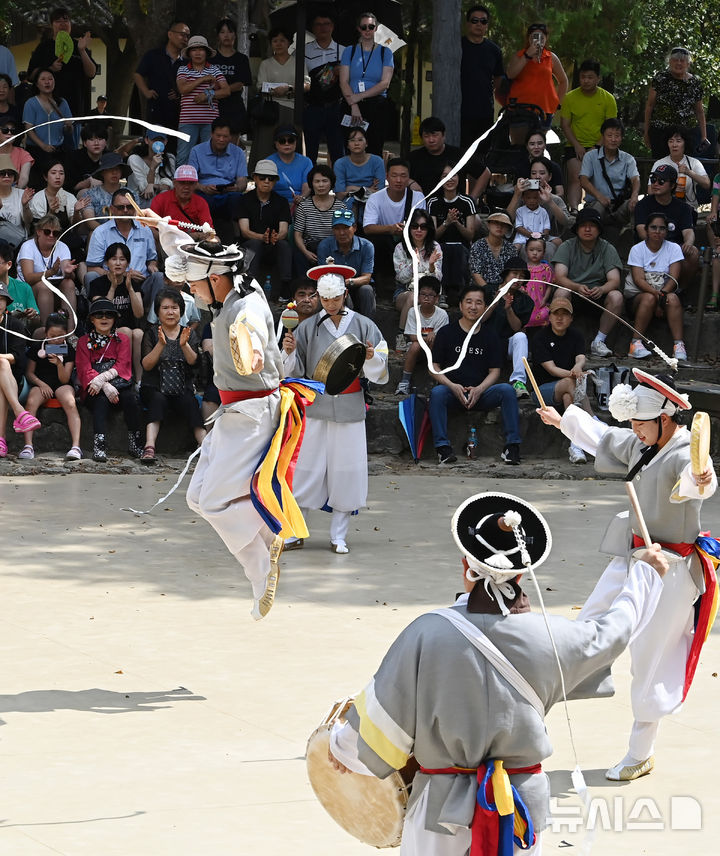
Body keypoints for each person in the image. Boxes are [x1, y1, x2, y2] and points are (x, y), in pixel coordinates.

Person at [328, 490, 671, 855]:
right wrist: (646, 575)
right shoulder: (552, 638)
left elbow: (375, 726)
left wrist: (343, 747)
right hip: (519, 813)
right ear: (522, 571)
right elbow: (614, 631)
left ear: (466, 566)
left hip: (438, 817)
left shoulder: (425, 633)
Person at [538, 369, 716, 780]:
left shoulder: (682, 455)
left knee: (651, 657)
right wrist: (561, 420)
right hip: (633, 553)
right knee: (591, 623)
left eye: (641, 424)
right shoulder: (641, 443)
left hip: (670, 567)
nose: (634, 431)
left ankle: (640, 751)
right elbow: (602, 436)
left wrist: (701, 476)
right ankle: (575, 685)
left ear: (666, 419)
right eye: (632, 424)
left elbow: (697, 480)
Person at [281, 264, 388, 554]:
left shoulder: (364, 324)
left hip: (350, 406)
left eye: (335, 298)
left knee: (346, 471)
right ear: (318, 297)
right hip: (316, 406)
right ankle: (294, 530)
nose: (330, 304)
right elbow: (293, 371)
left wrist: (370, 357)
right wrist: (289, 352)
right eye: (325, 299)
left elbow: (380, 363)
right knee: (306, 470)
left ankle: (338, 535)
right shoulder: (305, 327)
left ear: (344, 294)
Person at [429, 284, 522, 465]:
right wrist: (452, 386)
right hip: (453, 392)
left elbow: (495, 371)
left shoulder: (490, 335)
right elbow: (434, 366)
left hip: (480, 393)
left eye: (478, 303)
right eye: (469, 302)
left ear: (485, 307)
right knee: (437, 394)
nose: (473, 307)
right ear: (461, 305)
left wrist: (479, 390)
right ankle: (442, 448)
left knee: (507, 391)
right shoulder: (447, 332)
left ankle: (512, 447)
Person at [139, 288, 205, 464]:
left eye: (174, 308)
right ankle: (149, 446)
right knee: (158, 400)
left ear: (181, 311)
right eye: (165, 308)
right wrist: (160, 345)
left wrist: (184, 345)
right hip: (154, 385)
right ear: (158, 311)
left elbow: (195, 363)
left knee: (190, 402)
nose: (170, 312)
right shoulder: (151, 333)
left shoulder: (188, 333)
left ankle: (205, 446)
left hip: (181, 385)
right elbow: (146, 364)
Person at [75, 298, 144, 462]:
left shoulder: (122, 339)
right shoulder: (83, 342)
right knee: (100, 400)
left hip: (119, 385)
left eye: (109, 315)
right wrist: (104, 385)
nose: (104, 318)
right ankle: (99, 445)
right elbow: (84, 368)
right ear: (92, 319)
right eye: (99, 315)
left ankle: (135, 443)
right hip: (94, 388)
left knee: (131, 399)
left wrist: (105, 378)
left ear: (115, 319)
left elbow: (123, 364)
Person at [552, 207, 623, 358]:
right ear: (577, 229)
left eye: (592, 225)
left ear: (599, 229)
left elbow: (615, 280)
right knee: (560, 292)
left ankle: (599, 341)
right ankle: (561, 339)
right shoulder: (567, 246)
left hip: (598, 295)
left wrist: (602, 289)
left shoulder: (607, 248)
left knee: (616, 296)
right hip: (574, 293)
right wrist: (576, 287)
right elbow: (560, 277)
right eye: (583, 225)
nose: (588, 229)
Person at [530, 296, 592, 463]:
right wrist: (574, 375)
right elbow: (552, 369)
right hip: (541, 391)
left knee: (568, 397)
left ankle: (576, 446)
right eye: (556, 313)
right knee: (570, 383)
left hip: (565, 390)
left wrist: (578, 367)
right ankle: (593, 421)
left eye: (565, 314)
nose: (559, 318)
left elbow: (580, 358)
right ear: (549, 317)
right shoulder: (540, 338)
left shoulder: (576, 335)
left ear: (571, 318)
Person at [624, 212, 686, 362]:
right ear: (646, 230)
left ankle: (679, 345)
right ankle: (635, 343)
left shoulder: (674, 248)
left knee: (673, 298)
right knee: (649, 298)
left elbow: (673, 278)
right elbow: (639, 280)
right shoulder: (637, 249)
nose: (657, 231)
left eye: (662, 228)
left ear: (667, 231)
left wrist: (662, 296)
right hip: (639, 296)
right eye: (653, 227)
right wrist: (657, 296)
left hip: (664, 292)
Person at [20, 312, 81, 460]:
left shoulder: (69, 350)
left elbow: (65, 378)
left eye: (60, 335)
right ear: (46, 333)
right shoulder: (37, 347)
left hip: (62, 384)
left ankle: (76, 447)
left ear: (66, 334)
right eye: (52, 335)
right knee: (31, 401)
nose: (56, 339)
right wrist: (42, 384)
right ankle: (28, 446)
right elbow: (29, 373)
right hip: (41, 384)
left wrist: (59, 364)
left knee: (70, 402)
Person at [560, 59, 618, 213]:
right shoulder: (570, 97)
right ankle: (573, 209)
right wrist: (577, 145)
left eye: (590, 77)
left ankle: (597, 209)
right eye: (583, 77)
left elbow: (610, 126)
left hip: (600, 145)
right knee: (576, 177)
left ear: (598, 78)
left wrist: (597, 146)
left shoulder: (608, 98)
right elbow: (565, 125)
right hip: (575, 145)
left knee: (599, 179)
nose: (586, 81)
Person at [250, 27, 309, 174]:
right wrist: (274, 90)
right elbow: (259, 86)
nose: (278, 44)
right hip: (270, 110)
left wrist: (289, 88)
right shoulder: (266, 64)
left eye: (282, 40)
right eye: (275, 41)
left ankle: (294, 175)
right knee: (266, 145)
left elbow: (307, 85)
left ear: (289, 42)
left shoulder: (298, 62)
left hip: (292, 108)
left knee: (290, 144)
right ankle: (263, 175)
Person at [633, 163, 698, 290]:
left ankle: (680, 290)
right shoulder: (642, 205)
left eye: (661, 181)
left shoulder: (683, 208)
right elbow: (641, 232)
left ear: (672, 185)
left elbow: (688, 231)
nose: (655, 184)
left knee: (693, 253)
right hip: (649, 248)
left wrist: (688, 243)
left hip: (674, 251)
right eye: (653, 180)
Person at [88, 242, 146, 382]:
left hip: (129, 331)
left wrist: (130, 289)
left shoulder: (132, 283)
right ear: (107, 262)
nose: (118, 263)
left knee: (138, 333)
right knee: (125, 331)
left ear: (128, 263)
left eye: (122, 259)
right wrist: (113, 288)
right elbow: (102, 313)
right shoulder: (97, 284)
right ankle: (127, 375)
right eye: (114, 259)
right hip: (104, 332)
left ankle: (139, 380)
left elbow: (139, 314)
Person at [339, 12, 394, 155]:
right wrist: (354, 104)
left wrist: (360, 96)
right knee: (351, 146)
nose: (367, 30)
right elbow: (343, 81)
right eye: (364, 27)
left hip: (376, 104)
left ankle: (374, 178)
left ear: (376, 28)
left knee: (374, 147)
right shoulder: (349, 51)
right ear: (358, 29)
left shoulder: (385, 52)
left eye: (371, 26)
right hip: (351, 104)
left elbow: (385, 83)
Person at [236, 159, 292, 301]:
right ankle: (249, 286)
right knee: (255, 244)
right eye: (262, 177)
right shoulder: (244, 200)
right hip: (249, 245)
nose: (266, 181)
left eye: (271, 178)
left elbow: (284, 230)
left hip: (273, 245)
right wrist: (262, 237)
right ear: (254, 178)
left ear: (275, 181)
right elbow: (244, 231)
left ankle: (285, 289)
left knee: (284, 245)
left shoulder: (281, 201)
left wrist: (275, 237)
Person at [27, 7, 97, 120]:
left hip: (74, 108)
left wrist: (82, 50)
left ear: (70, 24)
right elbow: (30, 75)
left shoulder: (78, 45)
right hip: (47, 109)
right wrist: (50, 69)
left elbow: (91, 73)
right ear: (51, 25)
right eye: (58, 21)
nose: (62, 24)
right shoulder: (43, 47)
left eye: (66, 21)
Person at [85, 189, 161, 292]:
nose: (125, 210)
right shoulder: (100, 232)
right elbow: (92, 268)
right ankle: (101, 307)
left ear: (135, 208)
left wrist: (152, 265)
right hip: (111, 284)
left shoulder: (145, 229)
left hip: (141, 284)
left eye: (129, 207)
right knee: (91, 276)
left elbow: (151, 259)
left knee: (159, 276)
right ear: (112, 209)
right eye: (120, 207)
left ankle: (152, 309)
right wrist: (123, 275)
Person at [643, 46, 709, 158]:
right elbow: (650, 106)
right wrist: (646, 132)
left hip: (686, 132)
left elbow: (699, 111)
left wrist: (704, 136)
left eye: (682, 61)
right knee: (661, 165)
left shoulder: (695, 83)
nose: (679, 63)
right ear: (669, 62)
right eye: (675, 60)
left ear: (688, 64)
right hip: (661, 131)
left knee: (685, 167)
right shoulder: (660, 78)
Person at [427, 163, 479, 304]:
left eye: (453, 175)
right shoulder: (433, 202)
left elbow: (470, 235)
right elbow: (433, 236)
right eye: (445, 176)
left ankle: (459, 292)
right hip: (439, 246)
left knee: (457, 249)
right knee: (444, 249)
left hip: (462, 247)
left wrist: (456, 223)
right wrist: (446, 222)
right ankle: (442, 293)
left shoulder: (467, 202)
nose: (449, 179)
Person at [363, 158, 425, 275]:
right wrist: (390, 228)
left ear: (408, 178)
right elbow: (368, 228)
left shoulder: (417, 197)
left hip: (411, 239)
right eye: (394, 175)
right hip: (385, 242)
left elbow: (422, 225)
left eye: (403, 176)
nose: (398, 180)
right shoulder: (375, 198)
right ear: (387, 176)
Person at [0, 281, 41, 458]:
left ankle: (1, 440)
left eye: (1, 299)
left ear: (6, 303)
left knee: (2, 366)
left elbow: (18, 356)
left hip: (12, 379)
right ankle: (20, 413)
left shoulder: (15, 324)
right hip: (6, 378)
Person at [176, 35, 230, 166]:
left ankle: (208, 184)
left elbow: (226, 91)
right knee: (183, 155)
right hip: (188, 121)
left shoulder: (214, 70)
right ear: (189, 53)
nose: (198, 53)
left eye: (201, 49)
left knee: (210, 154)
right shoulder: (183, 69)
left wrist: (208, 95)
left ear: (206, 52)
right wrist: (203, 79)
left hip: (210, 121)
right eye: (194, 49)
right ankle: (180, 184)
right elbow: (182, 89)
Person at [485, 257, 534, 399]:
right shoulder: (488, 290)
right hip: (484, 342)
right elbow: (479, 319)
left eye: (521, 276)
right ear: (505, 275)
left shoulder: (526, 301)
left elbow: (517, 327)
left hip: (506, 344)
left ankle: (518, 382)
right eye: (514, 274)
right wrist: (496, 301)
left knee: (521, 337)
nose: (517, 278)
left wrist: (508, 309)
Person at [16, 214, 77, 326]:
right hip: (27, 292)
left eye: (56, 233)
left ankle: (70, 333)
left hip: (53, 292)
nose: (51, 235)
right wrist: (51, 272)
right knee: (44, 286)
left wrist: (69, 273)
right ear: (38, 232)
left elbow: (67, 272)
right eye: (47, 232)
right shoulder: (28, 246)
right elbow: (28, 278)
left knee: (69, 283)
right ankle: (47, 333)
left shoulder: (62, 247)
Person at [579, 118, 640, 227]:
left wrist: (634, 196)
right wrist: (599, 196)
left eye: (617, 136)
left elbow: (635, 179)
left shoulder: (628, 159)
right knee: (598, 208)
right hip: (595, 203)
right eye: (609, 135)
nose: (613, 139)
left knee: (637, 206)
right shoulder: (590, 156)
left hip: (619, 205)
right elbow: (583, 180)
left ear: (621, 138)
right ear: (603, 137)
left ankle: (633, 237)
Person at [303, 10, 346, 165]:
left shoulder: (344, 51)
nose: (323, 28)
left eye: (326, 24)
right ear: (313, 28)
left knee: (337, 149)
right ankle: (309, 183)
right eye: (318, 24)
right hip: (312, 108)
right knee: (309, 150)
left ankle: (339, 184)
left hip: (336, 107)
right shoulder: (303, 51)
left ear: (333, 27)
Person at [317, 207, 375, 318]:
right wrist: (342, 285)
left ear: (354, 228)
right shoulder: (324, 246)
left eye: (346, 228)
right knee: (338, 291)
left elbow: (366, 278)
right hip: (335, 287)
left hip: (358, 285)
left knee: (367, 290)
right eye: (337, 228)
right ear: (333, 230)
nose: (341, 232)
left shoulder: (367, 246)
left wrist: (348, 282)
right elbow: (325, 276)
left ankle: (369, 326)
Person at [505, 23, 567, 127]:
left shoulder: (551, 57)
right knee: (520, 141)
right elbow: (510, 74)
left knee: (539, 141)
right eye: (534, 37)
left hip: (544, 110)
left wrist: (557, 103)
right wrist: (527, 55)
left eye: (541, 38)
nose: (538, 41)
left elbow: (563, 81)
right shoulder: (519, 56)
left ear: (546, 38)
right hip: (520, 109)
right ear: (528, 38)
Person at [395, 275, 448, 396]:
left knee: (435, 341)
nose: (426, 298)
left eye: (430, 295)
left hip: (434, 348)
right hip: (416, 349)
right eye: (423, 294)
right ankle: (404, 381)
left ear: (437, 298)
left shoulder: (442, 315)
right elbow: (412, 336)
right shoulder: (413, 311)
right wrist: (427, 337)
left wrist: (432, 337)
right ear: (418, 296)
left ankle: (435, 380)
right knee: (415, 345)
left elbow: (442, 338)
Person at [460, 6, 504, 152]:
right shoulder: (457, 46)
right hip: (459, 111)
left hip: (484, 111)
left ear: (487, 25)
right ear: (467, 23)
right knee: (461, 155)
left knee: (481, 155)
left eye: (483, 21)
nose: (479, 24)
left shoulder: (494, 50)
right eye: (475, 20)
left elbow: (499, 78)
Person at [188, 118, 248, 224]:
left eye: (225, 136)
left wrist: (237, 188)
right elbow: (189, 180)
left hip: (228, 193)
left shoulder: (238, 152)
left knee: (238, 199)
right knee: (200, 200)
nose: (221, 139)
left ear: (230, 137)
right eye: (218, 135)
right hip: (204, 192)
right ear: (211, 134)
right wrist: (203, 188)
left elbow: (242, 180)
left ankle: (236, 235)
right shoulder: (197, 150)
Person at [133, 21, 189, 133]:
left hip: (179, 114)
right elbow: (138, 74)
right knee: (156, 146)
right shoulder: (154, 55)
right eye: (182, 34)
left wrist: (180, 93)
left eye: (187, 36)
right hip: (156, 110)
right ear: (170, 34)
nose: (185, 39)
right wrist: (146, 92)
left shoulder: (187, 62)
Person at [393, 209, 443, 333]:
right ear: (409, 228)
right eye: (415, 226)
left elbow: (437, 280)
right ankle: (401, 336)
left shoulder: (435, 247)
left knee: (429, 296)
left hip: (429, 292)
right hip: (405, 291)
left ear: (429, 229)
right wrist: (413, 265)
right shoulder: (400, 248)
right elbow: (401, 278)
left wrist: (431, 266)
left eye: (423, 227)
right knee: (413, 296)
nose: (419, 230)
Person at [292, 164, 345, 276]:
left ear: (331, 183)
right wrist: (305, 252)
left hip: (333, 248)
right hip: (310, 248)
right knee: (298, 256)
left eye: (325, 181)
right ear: (311, 183)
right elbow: (298, 235)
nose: (321, 185)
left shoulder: (340, 207)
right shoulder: (304, 206)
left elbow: (344, 233)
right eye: (317, 181)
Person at [650, 125, 710, 212]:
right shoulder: (659, 163)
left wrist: (689, 172)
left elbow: (707, 184)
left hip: (688, 208)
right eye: (671, 141)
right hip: (663, 209)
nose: (674, 145)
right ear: (667, 144)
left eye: (678, 141)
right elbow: (650, 191)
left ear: (685, 143)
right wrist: (671, 191)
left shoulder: (694, 162)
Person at [506, 158, 569, 241]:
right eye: (533, 173)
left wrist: (550, 202)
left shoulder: (555, 199)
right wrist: (517, 194)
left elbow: (565, 222)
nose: (537, 176)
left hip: (546, 240)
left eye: (542, 173)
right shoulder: (522, 198)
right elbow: (507, 219)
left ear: (549, 176)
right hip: (523, 239)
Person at [21, 68, 73, 166]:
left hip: (58, 150)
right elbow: (28, 129)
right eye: (43, 79)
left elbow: (69, 131)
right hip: (36, 150)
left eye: (50, 79)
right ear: (36, 84)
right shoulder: (31, 103)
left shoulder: (62, 103)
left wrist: (69, 127)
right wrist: (43, 146)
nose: (47, 82)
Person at [213, 17, 252, 143]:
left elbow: (241, 83)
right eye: (222, 32)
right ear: (218, 35)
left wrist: (222, 90)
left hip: (234, 108)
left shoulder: (241, 59)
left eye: (230, 32)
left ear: (235, 34)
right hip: (213, 107)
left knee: (232, 146)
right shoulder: (211, 58)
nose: (226, 36)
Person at [79, 153, 135, 234]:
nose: (114, 172)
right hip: (101, 235)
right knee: (92, 234)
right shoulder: (90, 195)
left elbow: (136, 219)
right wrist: (111, 234)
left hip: (127, 233)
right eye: (110, 169)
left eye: (117, 169)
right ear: (102, 172)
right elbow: (90, 222)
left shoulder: (131, 194)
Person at [408, 116, 463, 198]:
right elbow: (398, 176)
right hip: (422, 206)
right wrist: (410, 182)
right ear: (422, 138)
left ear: (443, 135)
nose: (431, 140)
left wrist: (473, 196)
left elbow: (484, 173)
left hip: (454, 207)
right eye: (426, 136)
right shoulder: (413, 157)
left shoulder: (458, 154)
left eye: (435, 135)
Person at [332, 126, 386, 202]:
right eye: (352, 140)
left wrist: (350, 188)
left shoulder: (377, 161)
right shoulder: (340, 164)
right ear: (347, 145)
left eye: (360, 140)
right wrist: (368, 189)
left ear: (366, 143)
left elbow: (380, 193)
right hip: (347, 202)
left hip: (372, 201)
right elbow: (340, 195)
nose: (356, 143)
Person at [468, 211, 516, 292]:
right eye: (496, 222)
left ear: (507, 228)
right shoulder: (477, 246)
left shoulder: (511, 248)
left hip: (504, 289)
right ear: (488, 225)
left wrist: (502, 289)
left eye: (503, 224)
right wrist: (488, 289)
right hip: (480, 288)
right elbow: (475, 273)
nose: (499, 226)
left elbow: (512, 273)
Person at [0, 239, 40, 334]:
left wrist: (33, 315)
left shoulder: (24, 288)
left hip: (19, 338)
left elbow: (37, 322)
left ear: (9, 265)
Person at [266, 125, 312, 206]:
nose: (287, 144)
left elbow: (307, 186)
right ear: (275, 143)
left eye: (290, 140)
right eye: (282, 141)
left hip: (300, 203)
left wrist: (301, 197)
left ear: (296, 142)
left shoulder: (306, 162)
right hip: (274, 203)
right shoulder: (268, 162)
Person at [127, 130, 176, 202]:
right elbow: (144, 188)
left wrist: (155, 186)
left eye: (161, 140)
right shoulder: (134, 159)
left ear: (165, 142)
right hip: (138, 200)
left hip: (160, 199)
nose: (158, 143)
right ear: (147, 140)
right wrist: (152, 168)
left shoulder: (169, 158)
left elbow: (170, 183)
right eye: (154, 140)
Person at [64, 124, 107, 196]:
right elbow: (69, 186)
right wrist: (87, 182)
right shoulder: (73, 157)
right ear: (84, 143)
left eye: (100, 139)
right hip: (79, 197)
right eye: (91, 140)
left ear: (105, 142)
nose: (96, 143)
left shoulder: (109, 157)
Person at [0, 154, 33, 248]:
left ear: (14, 177)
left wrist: (25, 205)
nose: (6, 176)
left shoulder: (22, 194)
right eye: (2, 173)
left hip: (17, 243)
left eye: (10, 173)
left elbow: (29, 221)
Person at [524, 236, 554, 328]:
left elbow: (549, 285)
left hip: (540, 302)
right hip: (526, 302)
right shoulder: (523, 268)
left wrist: (545, 299)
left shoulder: (546, 268)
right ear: (526, 250)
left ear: (544, 252)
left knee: (545, 314)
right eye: (531, 250)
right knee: (524, 315)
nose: (535, 253)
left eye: (539, 250)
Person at [0, 118, 33, 188]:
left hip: (15, 192)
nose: (9, 133)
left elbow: (24, 178)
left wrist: (14, 194)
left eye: (13, 131)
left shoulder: (23, 154)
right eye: (5, 130)